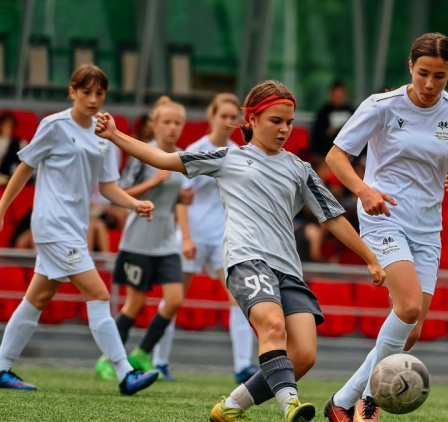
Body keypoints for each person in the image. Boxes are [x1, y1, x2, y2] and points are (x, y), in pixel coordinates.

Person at [94, 79, 387, 422]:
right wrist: (115, 134)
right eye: (276, 121)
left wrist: (370, 258)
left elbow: (333, 219)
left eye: (289, 123)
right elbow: (161, 157)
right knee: (272, 327)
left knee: (304, 355)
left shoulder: (300, 169)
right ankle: (290, 404)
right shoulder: (227, 157)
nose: (284, 129)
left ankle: (231, 407)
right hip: (246, 260)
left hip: (288, 270)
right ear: (252, 120)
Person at [324, 33, 448, 422]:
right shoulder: (381, 106)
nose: (430, 84)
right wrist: (363, 190)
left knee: (411, 332)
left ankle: (341, 402)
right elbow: (336, 156)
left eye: (439, 76)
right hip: (383, 216)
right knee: (407, 306)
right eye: (423, 73)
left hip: (428, 227)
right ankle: (368, 403)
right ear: (410, 67)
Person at [0, 64, 159, 394]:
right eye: (86, 92)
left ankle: (1, 367)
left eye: (99, 93)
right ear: (72, 91)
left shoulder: (104, 134)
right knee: (99, 294)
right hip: (53, 226)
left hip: (74, 227)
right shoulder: (53, 125)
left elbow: (107, 187)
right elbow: (24, 169)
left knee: (37, 298)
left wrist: (134, 203)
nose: (93, 98)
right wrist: (1, 209)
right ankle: (125, 373)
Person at [150, 93, 260, 383]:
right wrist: (185, 237)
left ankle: (242, 366)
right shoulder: (196, 150)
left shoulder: (239, 153)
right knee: (173, 300)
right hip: (193, 237)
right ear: (211, 117)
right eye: (222, 115)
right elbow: (182, 198)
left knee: (238, 299)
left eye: (232, 117)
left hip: (224, 238)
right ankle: (158, 361)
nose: (227, 121)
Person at [94, 96, 190, 380]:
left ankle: (143, 354)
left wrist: (182, 199)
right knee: (134, 305)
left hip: (166, 243)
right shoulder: (144, 154)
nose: (172, 128)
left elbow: (175, 201)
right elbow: (118, 193)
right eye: (167, 122)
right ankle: (108, 359)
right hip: (138, 242)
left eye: (177, 123)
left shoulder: (182, 157)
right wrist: (153, 182)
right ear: (155, 125)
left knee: (174, 299)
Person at [310, 80, 355, 159]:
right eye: (336, 96)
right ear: (331, 95)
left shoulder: (352, 112)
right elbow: (316, 138)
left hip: (350, 152)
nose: (338, 99)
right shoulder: (323, 112)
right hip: (327, 152)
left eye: (340, 96)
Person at [0, 111, 29, 186]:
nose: (8, 127)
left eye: (10, 125)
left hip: (10, 179)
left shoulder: (20, 143)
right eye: (5, 124)